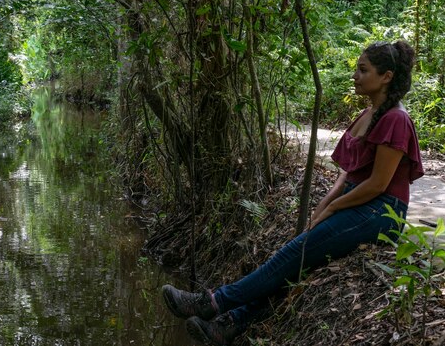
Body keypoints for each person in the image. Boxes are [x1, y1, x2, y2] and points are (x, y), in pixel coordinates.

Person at [161, 40, 424, 346]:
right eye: (356, 68)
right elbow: (347, 176)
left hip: (381, 212)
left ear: (386, 77)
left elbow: (378, 184)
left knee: (292, 255)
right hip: (359, 204)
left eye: (363, 70)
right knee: (296, 264)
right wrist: (323, 207)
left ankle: (213, 302)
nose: (354, 75)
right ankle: (229, 324)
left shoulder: (396, 119)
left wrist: (333, 209)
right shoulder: (369, 113)